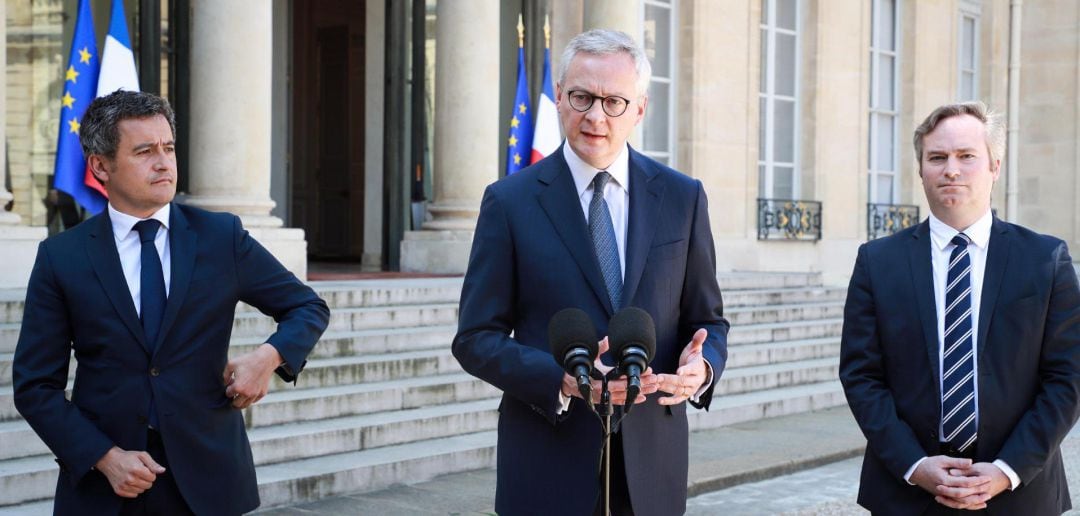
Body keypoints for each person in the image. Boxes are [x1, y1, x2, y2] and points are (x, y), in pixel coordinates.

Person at [13, 90, 330, 515]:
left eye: (168, 148)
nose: (163, 163)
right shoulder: (61, 257)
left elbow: (307, 307)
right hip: (105, 489)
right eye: (144, 151)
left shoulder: (221, 237)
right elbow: (35, 386)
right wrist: (104, 457)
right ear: (100, 166)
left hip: (209, 484)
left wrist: (268, 358)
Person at [452, 29, 728, 516]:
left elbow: (709, 321)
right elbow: (475, 337)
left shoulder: (683, 198)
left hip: (651, 473)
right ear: (559, 97)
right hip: (546, 464)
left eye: (615, 101)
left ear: (639, 109)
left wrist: (700, 369)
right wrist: (560, 381)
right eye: (582, 96)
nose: (596, 116)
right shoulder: (509, 202)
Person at [839, 101, 1080, 515]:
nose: (951, 169)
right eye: (937, 157)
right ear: (921, 170)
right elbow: (861, 375)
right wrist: (914, 465)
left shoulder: (1045, 259)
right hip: (907, 495)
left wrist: (1006, 470)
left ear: (995, 166)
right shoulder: (877, 262)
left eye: (966, 156)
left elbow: (1067, 377)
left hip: (1019, 496)